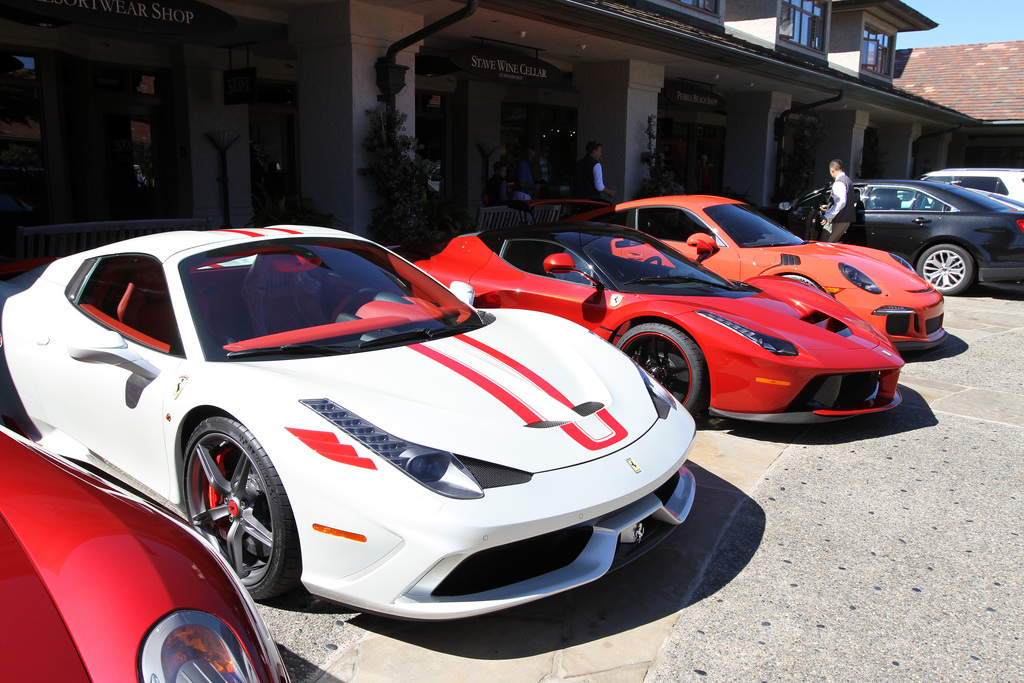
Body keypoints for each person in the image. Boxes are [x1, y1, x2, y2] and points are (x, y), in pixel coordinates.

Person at [819, 158, 855, 242]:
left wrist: (827, 216)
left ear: (832, 170)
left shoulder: (839, 182)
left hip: (837, 221)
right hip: (845, 220)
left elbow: (841, 202)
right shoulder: (848, 181)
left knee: (824, 245)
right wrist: (828, 206)